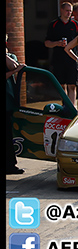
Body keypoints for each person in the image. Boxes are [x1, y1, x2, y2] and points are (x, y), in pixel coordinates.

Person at [44, 2, 78, 106]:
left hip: (72, 59)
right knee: (61, 85)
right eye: (67, 10)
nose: (69, 13)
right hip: (58, 59)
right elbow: (47, 43)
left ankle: (72, 107)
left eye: (70, 11)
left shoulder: (75, 24)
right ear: (61, 10)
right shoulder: (54, 25)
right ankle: (65, 105)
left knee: (72, 85)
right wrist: (57, 43)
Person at [7, 38, 26, 175]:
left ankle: (10, 165)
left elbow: (14, 65)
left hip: (8, 103)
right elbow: (14, 69)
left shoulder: (10, 56)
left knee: (9, 135)